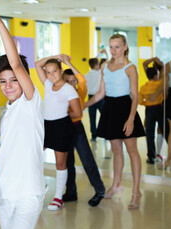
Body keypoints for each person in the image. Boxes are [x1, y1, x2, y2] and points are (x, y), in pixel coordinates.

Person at [0, 5, 45, 229]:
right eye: (3, 81)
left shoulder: (31, 103)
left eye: (14, 80)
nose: (8, 86)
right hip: (4, 193)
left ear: (25, 79)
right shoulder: (6, 115)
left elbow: (16, 63)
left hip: (28, 194)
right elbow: (5, 154)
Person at [85, 34, 145, 210]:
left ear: (125, 47)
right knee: (116, 150)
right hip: (110, 108)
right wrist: (84, 104)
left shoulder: (130, 68)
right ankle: (116, 185)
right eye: (111, 47)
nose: (113, 50)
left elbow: (135, 95)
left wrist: (131, 118)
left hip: (125, 108)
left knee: (132, 152)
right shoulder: (105, 66)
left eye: (117, 47)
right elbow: (101, 93)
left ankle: (136, 192)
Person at [36, 54, 82, 211]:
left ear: (61, 70)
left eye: (54, 71)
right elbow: (37, 64)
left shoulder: (68, 89)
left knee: (60, 163)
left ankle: (58, 198)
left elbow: (77, 112)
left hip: (62, 127)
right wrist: (55, 56)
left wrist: (61, 118)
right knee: (35, 158)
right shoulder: (48, 85)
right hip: (46, 126)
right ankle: (39, 190)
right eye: (48, 72)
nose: (51, 75)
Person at [59, 58, 105, 207]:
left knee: (87, 160)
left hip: (77, 128)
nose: (72, 84)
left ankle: (99, 190)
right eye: (68, 81)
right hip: (64, 129)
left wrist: (69, 64)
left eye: (73, 81)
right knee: (68, 162)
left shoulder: (80, 91)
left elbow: (82, 80)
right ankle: (71, 192)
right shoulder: (59, 94)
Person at [139, 58, 167, 165]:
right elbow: (145, 64)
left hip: (150, 108)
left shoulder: (144, 86)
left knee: (152, 132)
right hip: (158, 107)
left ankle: (153, 155)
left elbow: (141, 101)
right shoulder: (159, 81)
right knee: (164, 130)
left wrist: (147, 101)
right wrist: (156, 60)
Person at [159, 51, 171, 169]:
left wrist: (163, 99)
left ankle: (170, 159)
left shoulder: (169, 65)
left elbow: (165, 87)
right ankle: (170, 159)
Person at [85, 58, 104, 141]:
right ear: (97, 65)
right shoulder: (99, 75)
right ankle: (105, 133)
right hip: (99, 97)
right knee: (104, 116)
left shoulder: (86, 75)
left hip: (90, 97)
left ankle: (93, 136)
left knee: (92, 117)